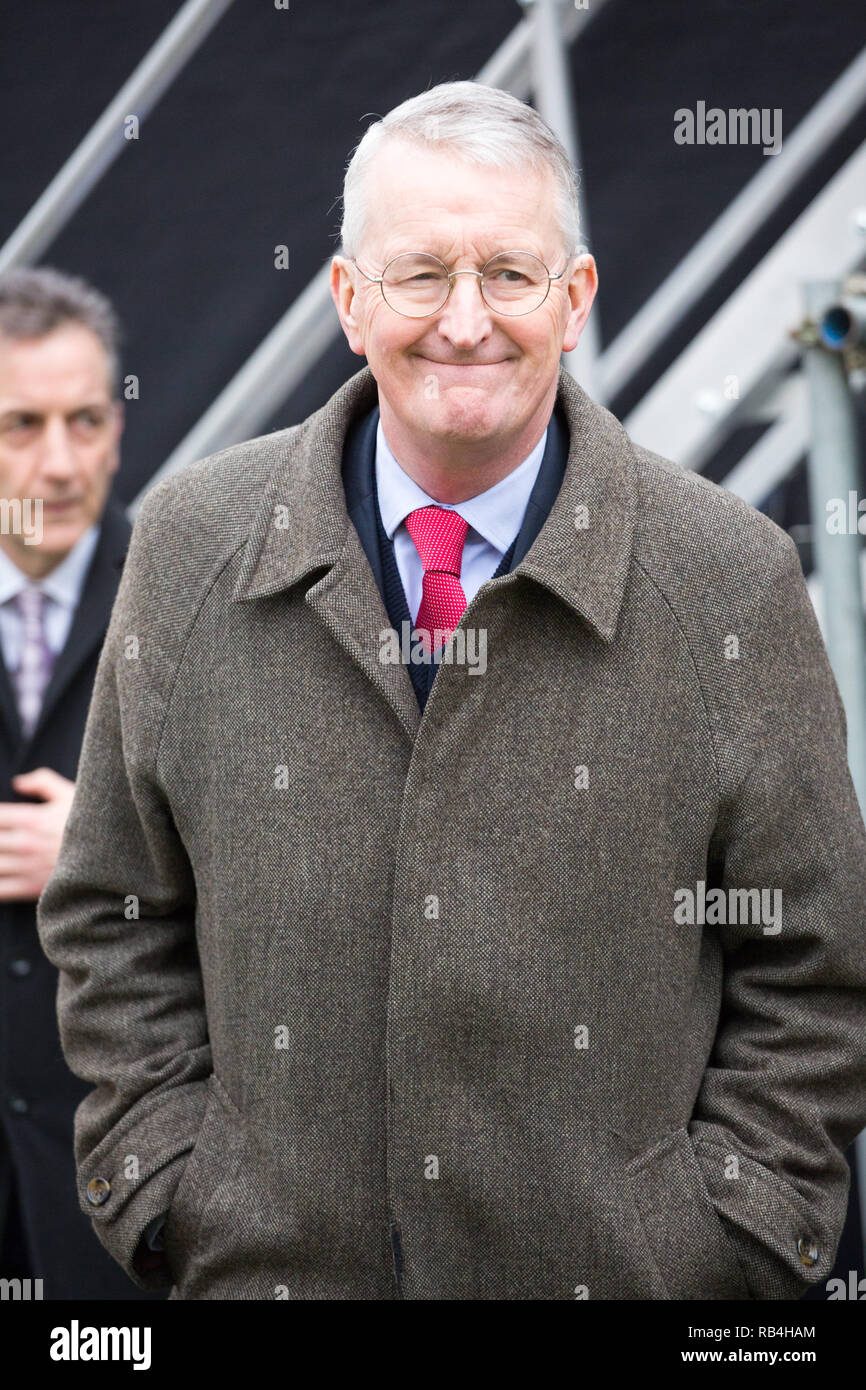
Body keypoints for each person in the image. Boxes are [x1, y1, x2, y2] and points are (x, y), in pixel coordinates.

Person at [37, 82, 866, 1301]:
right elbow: (114, 913)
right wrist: (173, 1194)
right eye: (420, 275)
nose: (465, 322)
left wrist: (710, 1246)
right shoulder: (191, 544)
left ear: (574, 299)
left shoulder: (725, 576)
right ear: (347, 300)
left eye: (509, 275)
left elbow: (811, 964)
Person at [0, 266, 161, 1298]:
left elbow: (302, 867)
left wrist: (99, 855)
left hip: (121, 1190)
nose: (59, 463)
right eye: (20, 424)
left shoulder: (198, 602)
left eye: (85, 420)